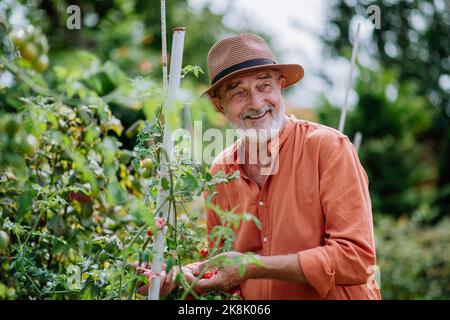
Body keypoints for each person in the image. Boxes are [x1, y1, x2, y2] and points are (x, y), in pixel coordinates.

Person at [138, 33, 381, 300]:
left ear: (281, 86)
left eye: (264, 86)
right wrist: (180, 275)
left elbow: (356, 259)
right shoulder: (221, 171)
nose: (255, 103)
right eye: (238, 93)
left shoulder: (328, 148)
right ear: (220, 106)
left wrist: (251, 267)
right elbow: (225, 267)